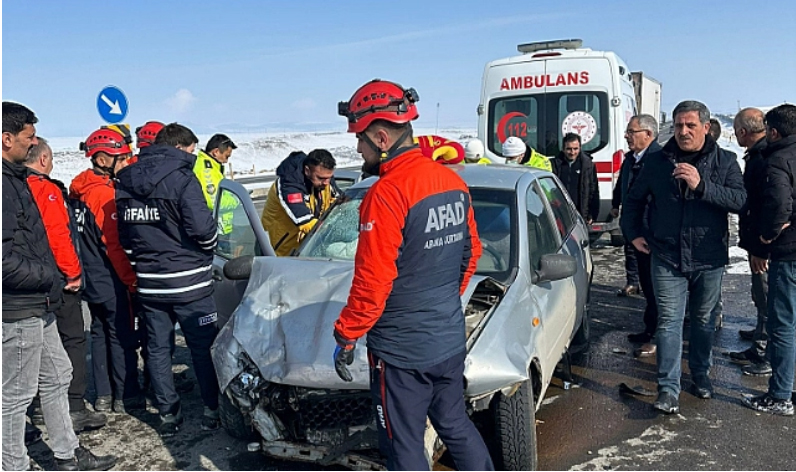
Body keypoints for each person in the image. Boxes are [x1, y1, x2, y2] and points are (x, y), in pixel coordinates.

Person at [333, 79, 493, 471]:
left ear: (382, 137)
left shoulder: (386, 194)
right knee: (455, 424)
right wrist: (438, 300)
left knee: (402, 444)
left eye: (360, 139)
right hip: (448, 339)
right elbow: (471, 253)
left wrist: (347, 334)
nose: (358, 149)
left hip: (402, 354)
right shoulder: (451, 181)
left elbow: (373, 280)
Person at [3, 101, 116, 471]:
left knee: (58, 375)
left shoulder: (18, 180)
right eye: (28, 137)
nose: (32, 144)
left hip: (39, 302)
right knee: (15, 396)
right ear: (7, 139)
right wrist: (55, 275)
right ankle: (13, 465)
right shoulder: (5, 187)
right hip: (18, 306)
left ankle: (67, 454)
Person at [621, 100, 745, 414]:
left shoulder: (726, 161)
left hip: (709, 256)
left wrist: (702, 186)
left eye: (690, 125)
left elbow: (741, 201)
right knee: (668, 323)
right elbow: (633, 200)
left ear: (706, 127)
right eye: (678, 125)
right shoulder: (658, 162)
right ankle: (667, 389)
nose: (684, 131)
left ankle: (701, 375)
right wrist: (633, 233)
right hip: (666, 255)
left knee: (703, 322)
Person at [115, 123, 221, 436]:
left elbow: (126, 235)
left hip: (150, 283)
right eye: (190, 151)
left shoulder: (126, 180)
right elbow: (203, 231)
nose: (192, 157)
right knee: (203, 348)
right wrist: (205, 253)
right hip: (191, 284)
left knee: (158, 349)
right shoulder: (183, 179)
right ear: (179, 148)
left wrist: (141, 265)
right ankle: (211, 408)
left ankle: (168, 414)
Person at [24, 138, 107, 432]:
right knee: (71, 339)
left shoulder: (14, 187)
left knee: (32, 346)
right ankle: (73, 406)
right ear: (44, 159)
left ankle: (36, 407)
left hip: (24, 279)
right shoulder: (46, 190)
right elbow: (58, 235)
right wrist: (73, 274)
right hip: (56, 278)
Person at [70, 127, 144, 415]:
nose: (126, 162)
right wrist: (132, 281)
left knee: (99, 334)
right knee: (122, 336)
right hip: (110, 279)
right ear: (102, 160)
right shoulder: (103, 196)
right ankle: (127, 394)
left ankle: (103, 394)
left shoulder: (80, 191)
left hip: (90, 277)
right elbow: (113, 246)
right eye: (121, 157)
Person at [742, 103, 796, 416]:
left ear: (773, 131)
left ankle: (779, 395)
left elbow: (778, 204)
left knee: (783, 324)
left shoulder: (777, 160)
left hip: (788, 254)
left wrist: (765, 239)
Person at [611, 114, 661, 357]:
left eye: (632, 132)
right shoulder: (631, 159)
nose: (627, 136)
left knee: (657, 289)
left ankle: (657, 336)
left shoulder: (660, 160)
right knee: (646, 285)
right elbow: (623, 186)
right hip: (636, 233)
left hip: (653, 235)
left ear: (648, 135)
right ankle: (649, 328)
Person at [727, 108, 771, 376]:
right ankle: (760, 335)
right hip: (760, 241)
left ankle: (764, 352)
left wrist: (759, 248)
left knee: (767, 296)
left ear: (743, 132)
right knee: (760, 294)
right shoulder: (760, 154)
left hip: (765, 245)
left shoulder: (766, 157)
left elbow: (765, 207)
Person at [260, 149, 340, 256]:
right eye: (321, 178)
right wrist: (337, 232)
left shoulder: (323, 181)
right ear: (307, 171)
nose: (326, 183)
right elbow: (306, 222)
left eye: (329, 178)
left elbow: (339, 202)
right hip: (280, 253)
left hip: (305, 249)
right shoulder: (289, 185)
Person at [551, 132, 600, 224]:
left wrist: (592, 214)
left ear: (580, 148)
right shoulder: (555, 164)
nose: (572, 152)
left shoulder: (587, 165)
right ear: (563, 149)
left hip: (580, 214)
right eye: (569, 149)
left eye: (575, 149)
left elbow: (593, 190)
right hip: (561, 213)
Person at [193, 133, 237, 209]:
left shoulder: (213, 168)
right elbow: (214, 202)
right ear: (216, 152)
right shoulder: (207, 170)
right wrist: (236, 201)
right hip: (215, 220)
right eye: (226, 156)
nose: (226, 161)